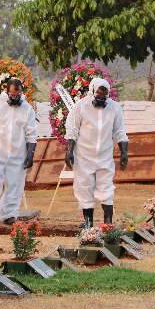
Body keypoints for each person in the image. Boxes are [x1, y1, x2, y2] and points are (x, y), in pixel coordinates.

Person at [65, 77, 129, 227]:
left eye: (104, 96)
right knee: (84, 188)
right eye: (98, 95)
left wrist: (124, 152)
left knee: (106, 188)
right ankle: (88, 224)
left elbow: (120, 131)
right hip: (83, 156)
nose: (101, 98)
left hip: (105, 157)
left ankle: (108, 223)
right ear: (92, 91)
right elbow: (72, 130)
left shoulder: (115, 108)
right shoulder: (80, 106)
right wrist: (69, 152)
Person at [0, 79, 38, 226]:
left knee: (15, 185)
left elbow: (31, 135)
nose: (15, 97)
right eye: (12, 94)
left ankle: (9, 215)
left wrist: (30, 156)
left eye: (18, 94)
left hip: (18, 155)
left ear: (21, 92)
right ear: (7, 92)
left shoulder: (27, 109)